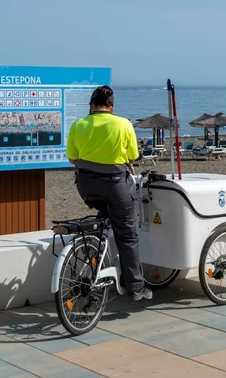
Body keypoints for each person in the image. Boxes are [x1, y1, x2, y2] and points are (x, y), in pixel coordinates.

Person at [65, 85, 153, 302]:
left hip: (85, 186)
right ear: (111, 107)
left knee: (103, 218)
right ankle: (135, 287)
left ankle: (94, 260)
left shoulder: (79, 124)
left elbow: (72, 159)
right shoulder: (123, 124)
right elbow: (132, 156)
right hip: (115, 186)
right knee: (127, 234)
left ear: (91, 106)